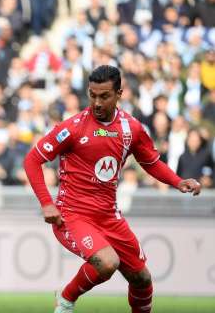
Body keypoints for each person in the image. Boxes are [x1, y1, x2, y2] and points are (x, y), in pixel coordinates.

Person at [23, 65, 202, 313]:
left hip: (109, 217)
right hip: (72, 215)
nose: (97, 102)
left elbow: (150, 162)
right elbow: (32, 159)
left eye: (104, 95)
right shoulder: (73, 127)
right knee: (107, 263)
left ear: (119, 93)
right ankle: (65, 299)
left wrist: (177, 181)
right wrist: (46, 202)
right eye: (92, 95)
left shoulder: (131, 128)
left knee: (142, 280)